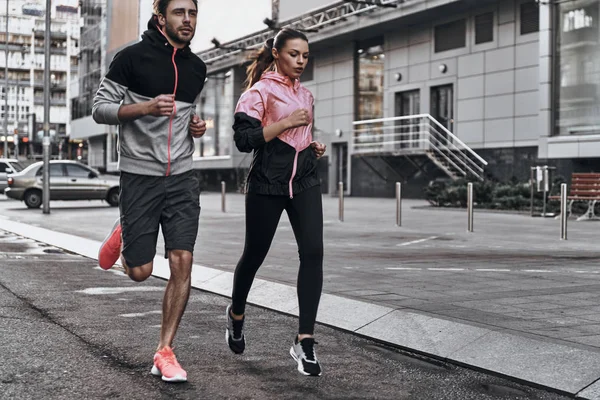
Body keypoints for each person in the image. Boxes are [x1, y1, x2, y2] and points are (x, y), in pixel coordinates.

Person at [92, 0, 207, 383]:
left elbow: (184, 115)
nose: (187, 20)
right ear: (161, 17)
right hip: (139, 175)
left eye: (192, 13)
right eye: (179, 13)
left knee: (182, 261)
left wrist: (195, 126)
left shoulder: (197, 68)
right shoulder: (131, 59)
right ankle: (124, 228)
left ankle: (165, 350)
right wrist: (142, 108)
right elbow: (100, 108)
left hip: (183, 178)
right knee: (139, 271)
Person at [225, 28, 327, 377]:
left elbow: (301, 136)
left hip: (304, 182)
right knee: (254, 255)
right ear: (277, 53)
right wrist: (284, 123)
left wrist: (313, 146)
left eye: (305, 56)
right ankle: (236, 314)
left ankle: (305, 341)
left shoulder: (307, 95)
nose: (300, 61)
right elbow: (244, 140)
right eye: (294, 54)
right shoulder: (258, 93)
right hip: (266, 185)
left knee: (313, 253)